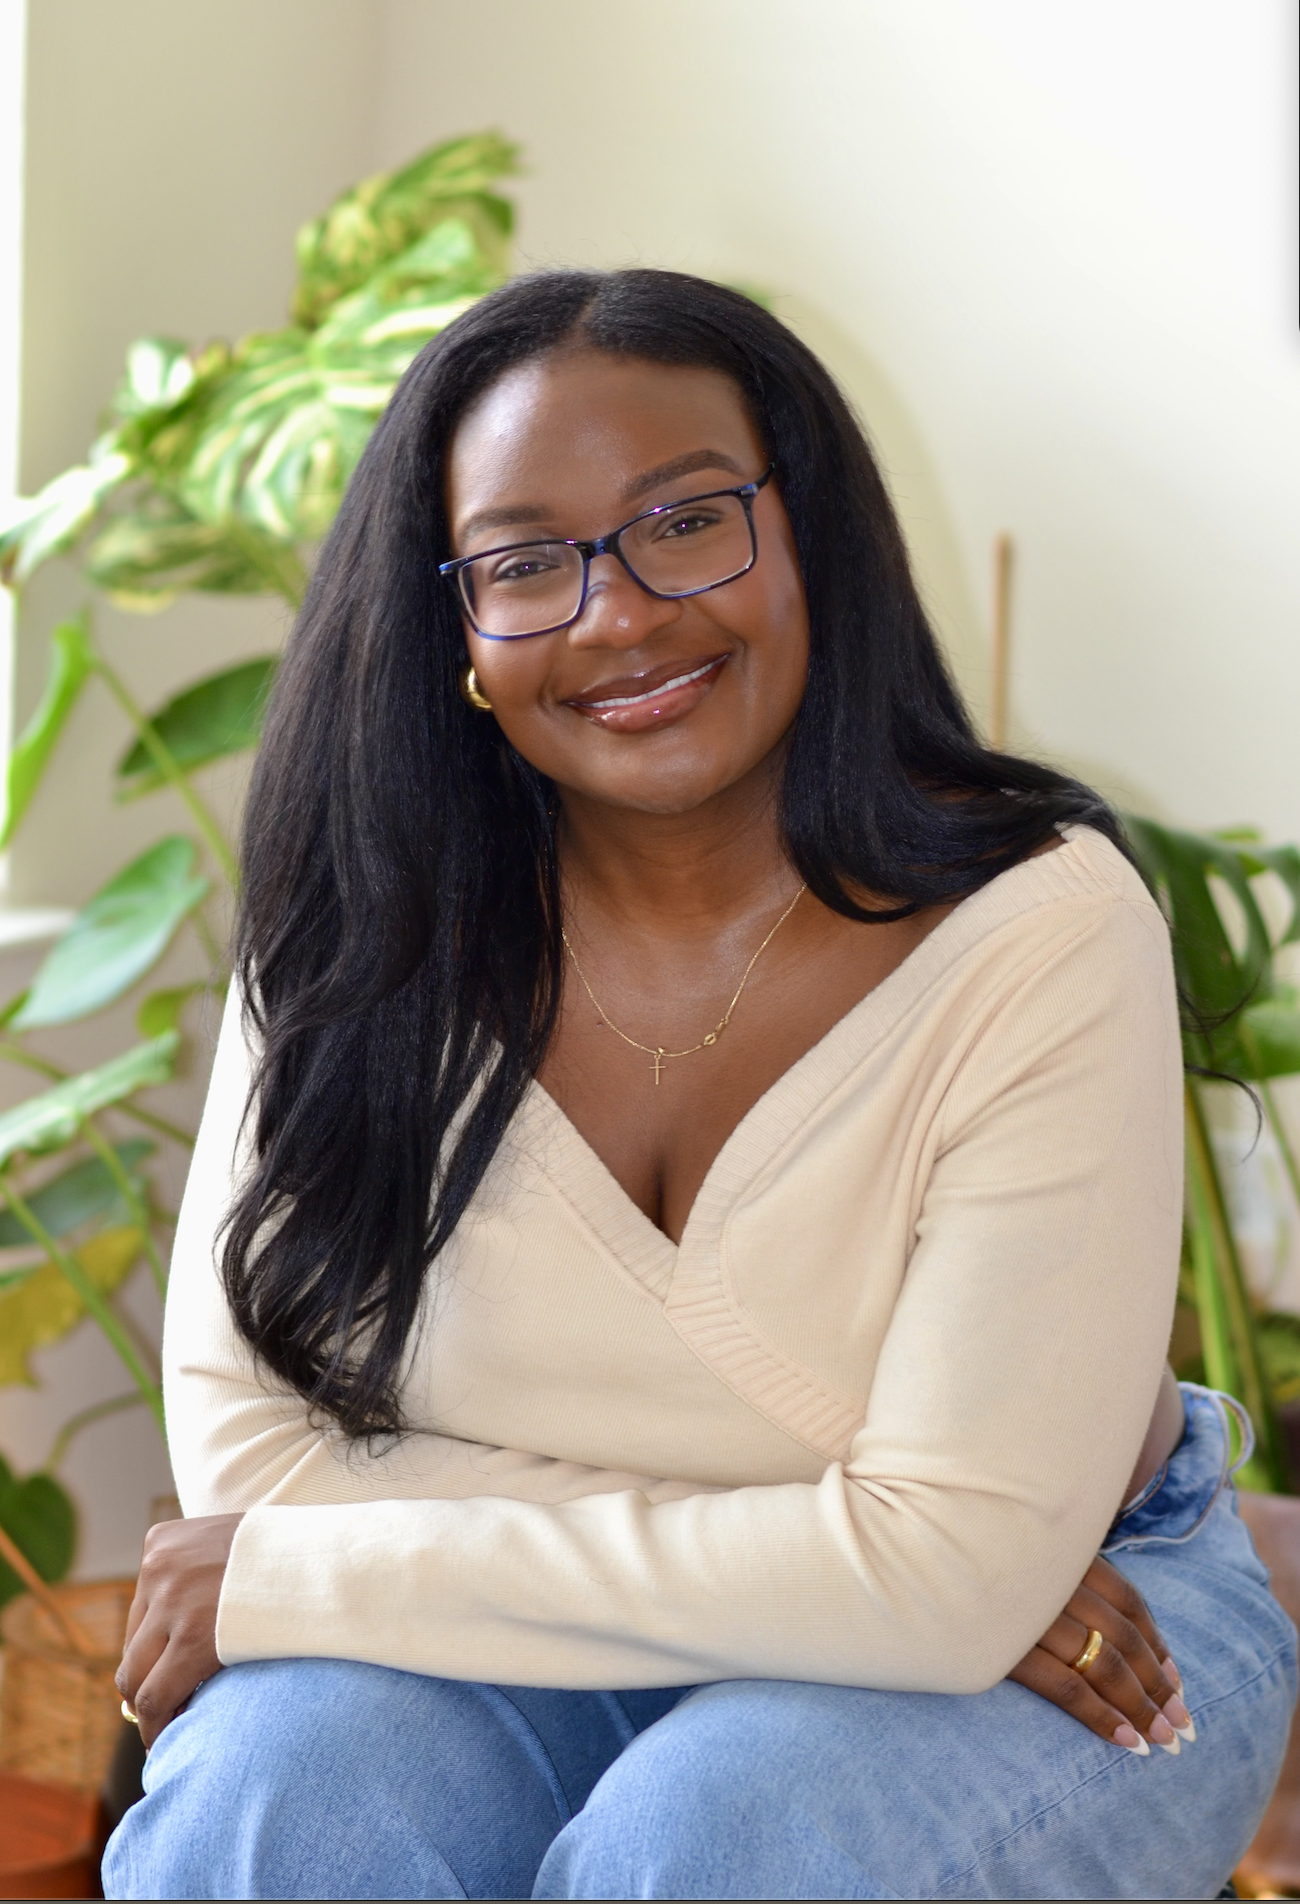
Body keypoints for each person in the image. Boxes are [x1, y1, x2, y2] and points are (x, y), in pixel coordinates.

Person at [104, 270, 1295, 1901]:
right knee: (273, 1799)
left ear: (813, 536)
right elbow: (259, 1463)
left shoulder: (1040, 923)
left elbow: (948, 1584)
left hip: (1094, 1630)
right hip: (596, 1643)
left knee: (720, 1839)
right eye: (524, 562)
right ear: (454, 624)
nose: (617, 613)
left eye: (685, 521)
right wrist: (861, 1558)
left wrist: (926, 1575)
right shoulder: (355, 929)